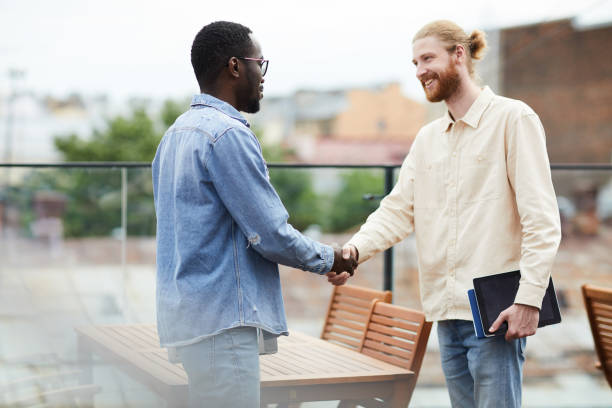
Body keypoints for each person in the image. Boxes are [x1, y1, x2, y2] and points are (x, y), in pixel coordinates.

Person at [341, 20, 561, 408]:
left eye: (428, 58)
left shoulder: (514, 119)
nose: (420, 71)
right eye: (414, 63)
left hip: (496, 315)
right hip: (445, 312)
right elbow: (396, 210)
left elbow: (542, 220)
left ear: (459, 55)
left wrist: (529, 300)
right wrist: (353, 251)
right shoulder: (427, 139)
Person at [152, 21, 356, 408]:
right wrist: (333, 257)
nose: (262, 75)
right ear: (234, 67)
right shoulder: (226, 134)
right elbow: (270, 234)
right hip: (223, 323)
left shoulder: (175, 134)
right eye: (259, 63)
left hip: (192, 321)